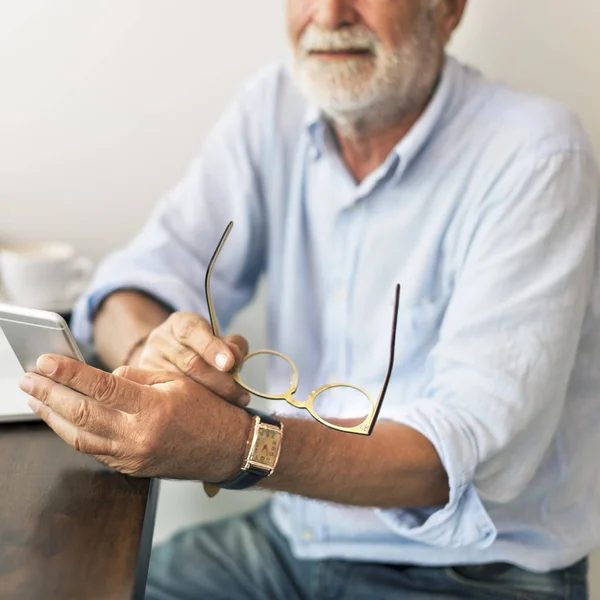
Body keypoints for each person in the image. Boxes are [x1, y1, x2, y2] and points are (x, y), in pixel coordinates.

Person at [19, 0, 599, 597]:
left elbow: (445, 460)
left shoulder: (538, 156)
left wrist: (232, 448)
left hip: (471, 576)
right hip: (290, 542)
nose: (329, 13)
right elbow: (131, 283)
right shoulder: (272, 108)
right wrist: (154, 351)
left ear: (447, 9)